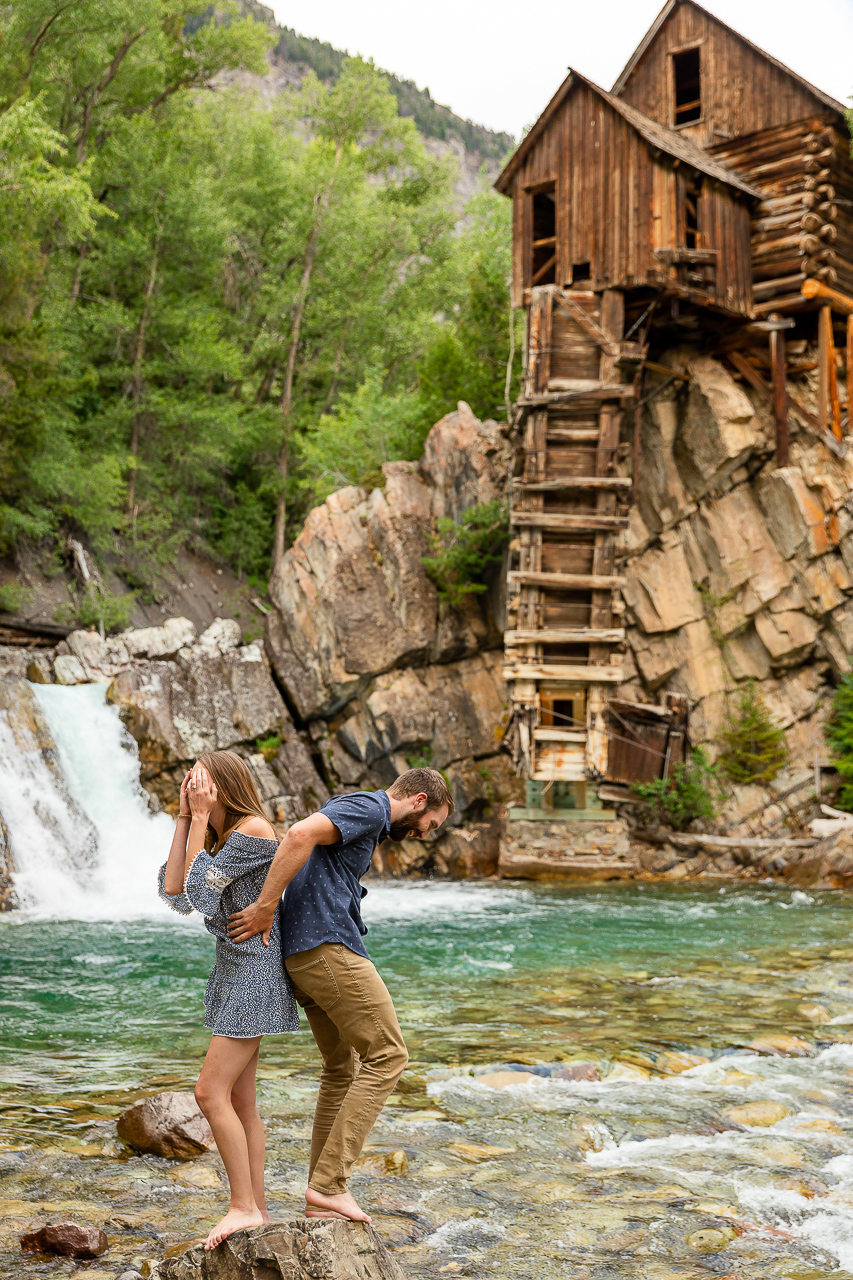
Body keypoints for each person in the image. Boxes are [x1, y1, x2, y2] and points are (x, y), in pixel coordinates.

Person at [226, 767, 453, 1224]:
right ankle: (330, 1184)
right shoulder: (371, 808)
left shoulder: (357, 811)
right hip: (328, 948)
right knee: (388, 1055)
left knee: (340, 1069)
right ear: (420, 800)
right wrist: (266, 907)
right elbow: (297, 834)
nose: (426, 834)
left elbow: (306, 844)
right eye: (432, 824)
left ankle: (319, 1199)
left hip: (302, 956)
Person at [158, 751, 299, 1251]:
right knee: (241, 1101)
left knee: (207, 1093)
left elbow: (196, 892)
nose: (192, 783)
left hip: (254, 975)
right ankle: (257, 1210)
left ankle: (242, 1205)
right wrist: (185, 817)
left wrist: (198, 819)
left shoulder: (254, 831)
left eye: (200, 778)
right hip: (233, 972)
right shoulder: (219, 838)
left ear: (223, 784)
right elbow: (175, 892)